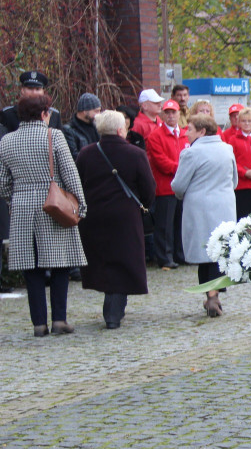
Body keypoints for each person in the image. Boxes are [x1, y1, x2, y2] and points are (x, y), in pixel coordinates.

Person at [0, 93, 87, 336]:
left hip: (21, 208)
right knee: (60, 264)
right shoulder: (53, 136)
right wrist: (80, 204)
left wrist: (15, 198)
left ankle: (39, 324)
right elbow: (70, 174)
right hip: (54, 204)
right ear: (44, 114)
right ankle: (59, 320)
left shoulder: (6, 141)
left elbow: (2, 182)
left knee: (31, 267)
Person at [75, 110, 156, 328]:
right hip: (125, 216)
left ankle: (112, 308)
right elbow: (149, 188)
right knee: (124, 261)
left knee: (103, 261)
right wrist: (143, 206)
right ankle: (113, 312)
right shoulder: (136, 154)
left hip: (94, 216)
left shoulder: (86, 153)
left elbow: (78, 184)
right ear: (122, 130)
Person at [171, 114, 238, 317]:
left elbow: (179, 185)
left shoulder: (191, 153)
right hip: (224, 204)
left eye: (189, 129)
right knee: (219, 253)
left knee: (206, 254)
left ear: (202, 131)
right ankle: (213, 294)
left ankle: (211, 296)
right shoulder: (227, 149)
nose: (186, 133)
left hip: (200, 207)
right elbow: (234, 181)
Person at [146, 99, 188, 270]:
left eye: (173, 112)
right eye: (167, 112)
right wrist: (184, 169)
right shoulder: (155, 136)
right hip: (165, 187)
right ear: (163, 115)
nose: (171, 116)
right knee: (165, 225)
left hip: (183, 186)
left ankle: (180, 254)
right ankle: (165, 257)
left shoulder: (185, 134)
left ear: (179, 114)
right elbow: (161, 162)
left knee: (181, 223)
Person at [66, 93, 102, 159]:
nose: (99, 114)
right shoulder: (69, 130)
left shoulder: (97, 127)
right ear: (85, 111)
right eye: (96, 111)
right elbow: (73, 156)